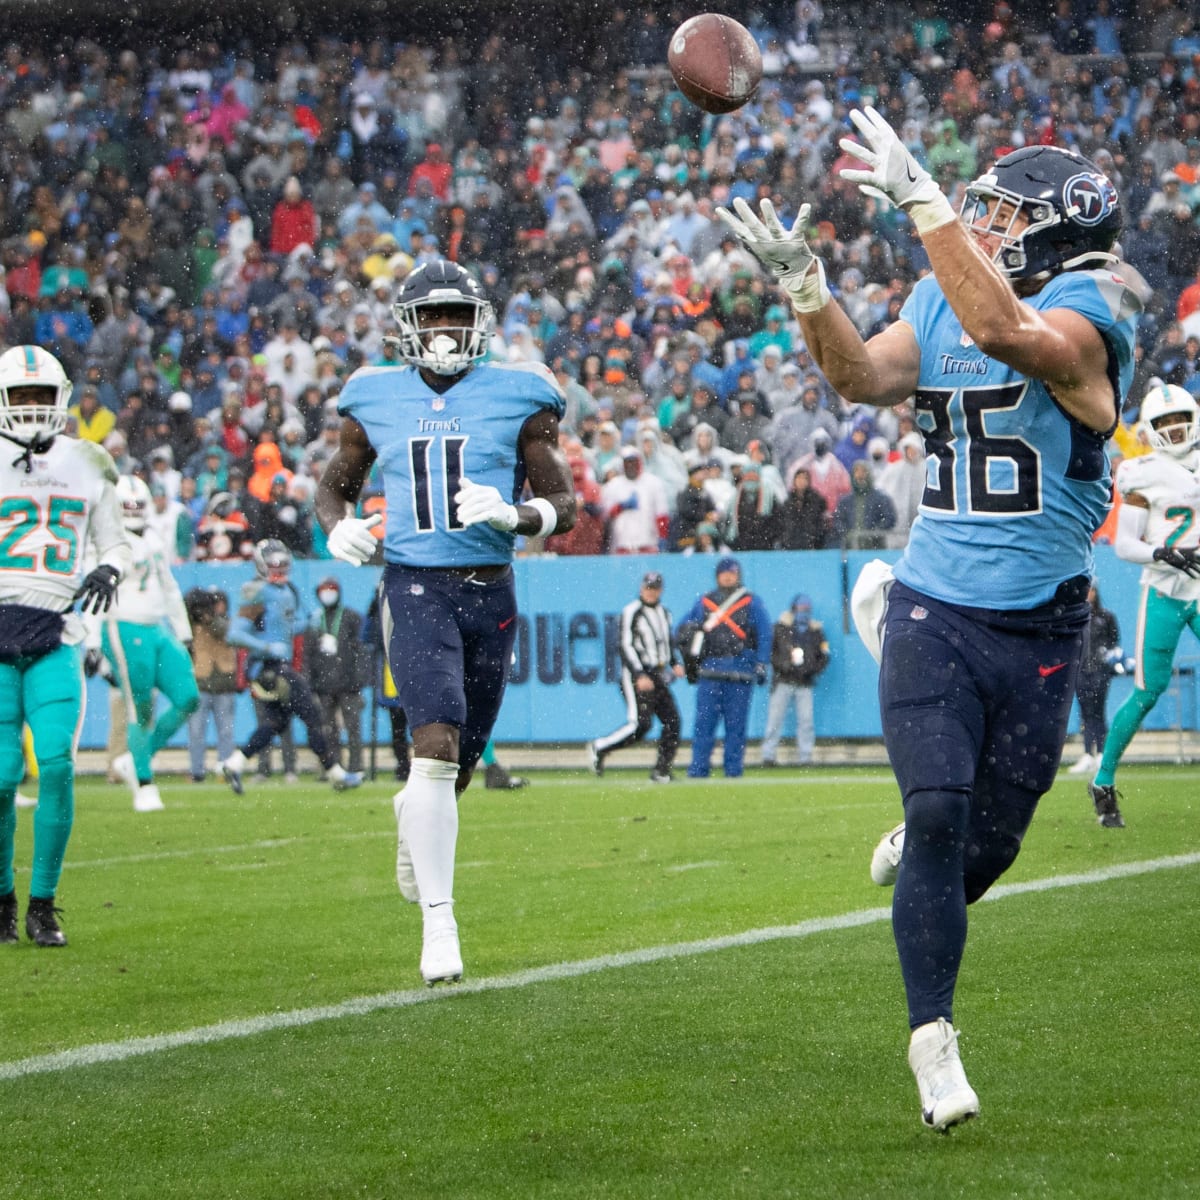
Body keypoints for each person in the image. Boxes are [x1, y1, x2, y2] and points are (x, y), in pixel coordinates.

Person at [719, 112, 1141, 1130]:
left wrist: (927, 207)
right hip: (934, 606)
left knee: (981, 852)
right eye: (980, 210)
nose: (986, 226)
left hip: (1041, 627)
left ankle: (924, 848)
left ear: (1060, 232)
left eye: (1006, 215)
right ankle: (932, 1039)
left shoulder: (1101, 302)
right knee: (944, 814)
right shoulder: (941, 293)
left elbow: (1010, 333)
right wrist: (807, 288)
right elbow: (860, 377)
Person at [314, 259, 575, 986]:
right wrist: (336, 530)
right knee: (433, 743)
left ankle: (415, 812)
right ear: (407, 325)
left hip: (490, 590)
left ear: (479, 323)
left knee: (456, 763)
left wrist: (515, 514)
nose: (444, 331)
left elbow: (565, 504)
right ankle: (439, 921)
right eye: (430, 317)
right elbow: (334, 489)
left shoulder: (518, 393)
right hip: (414, 585)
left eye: (456, 317)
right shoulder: (373, 396)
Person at [0, 344, 133, 947]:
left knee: (55, 766)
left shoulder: (88, 460)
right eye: (19, 397)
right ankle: (2, 899)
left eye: (38, 397)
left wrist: (107, 570)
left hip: (57, 631)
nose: (29, 409)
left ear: (59, 400)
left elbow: (116, 543)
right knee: (1, 778)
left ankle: (42, 904)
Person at [1089, 383, 1200, 827]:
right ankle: (1103, 779)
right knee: (1147, 691)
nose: (1174, 429)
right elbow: (1124, 544)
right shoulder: (1140, 471)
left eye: (1180, 420)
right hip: (1164, 591)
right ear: (1151, 430)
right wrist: (1163, 553)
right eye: (1165, 423)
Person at [84, 474, 200, 812]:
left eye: (138, 504)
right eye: (128, 505)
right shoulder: (104, 540)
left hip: (157, 627)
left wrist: (184, 633)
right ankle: (145, 785)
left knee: (188, 697)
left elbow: (169, 587)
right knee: (140, 707)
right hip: (122, 626)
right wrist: (91, 641)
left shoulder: (152, 538)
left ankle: (137, 759)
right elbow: (95, 594)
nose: (134, 510)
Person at [218, 539, 364, 795]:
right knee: (314, 716)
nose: (278, 569)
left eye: (282, 564)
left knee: (276, 723)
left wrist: (307, 625)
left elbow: (286, 628)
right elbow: (234, 634)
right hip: (269, 667)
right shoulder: (257, 591)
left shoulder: (287, 591)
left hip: (280, 664)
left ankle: (234, 763)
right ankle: (335, 772)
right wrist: (265, 648)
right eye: (273, 565)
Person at [674, 557, 772, 779]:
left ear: (738, 576)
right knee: (704, 726)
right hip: (711, 671)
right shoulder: (705, 602)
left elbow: (765, 634)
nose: (728, 576)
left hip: (739, 671)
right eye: (724, 573)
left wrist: (761, 663)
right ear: (718, 576)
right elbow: (682, 630)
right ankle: (699, 769)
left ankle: (733, 770)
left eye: (732, 573)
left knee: (735, 728)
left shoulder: (751, 602)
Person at [587, 570, 684, 783]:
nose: (651, 592)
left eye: (655, 588)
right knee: (640, 724)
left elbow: (667, 642)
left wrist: (675, 663)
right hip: (636, 674)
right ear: (642, 588)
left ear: (660, 590)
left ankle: (662, 770)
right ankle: (600, 747)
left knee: (673, 722)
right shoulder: (632, 611)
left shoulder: (664, 613)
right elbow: (625, 645)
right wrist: (639, 673)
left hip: (657, 674)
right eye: (648, 587)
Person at [303, 577, 367, 778]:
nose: (327, 594)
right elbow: (308, 655)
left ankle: (357, 767)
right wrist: (310, 682)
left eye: (331, 589)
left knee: (353, 727)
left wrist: (358, 680)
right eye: (324, 590)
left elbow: (361, 651)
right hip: (323, 685)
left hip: (348, 684)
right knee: (328, 730)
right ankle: (332, 767)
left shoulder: (350, 617)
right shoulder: (315, 620)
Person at [759, 595, 830, 767]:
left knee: (806, 721)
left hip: (804, 682)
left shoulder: (816, 631)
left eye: (806, 609)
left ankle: (805, 757)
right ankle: (768, 755)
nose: (803, 612)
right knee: (775, 720)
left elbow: (825, 656)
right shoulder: (780, 628)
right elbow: (772, 653)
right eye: (801, 608)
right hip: (783, 680)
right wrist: (784, 666)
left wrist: (811, 670)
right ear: (793, 608)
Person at [184, 584, 240, 783]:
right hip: (201, 683)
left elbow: (221, 630)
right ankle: (197, 771)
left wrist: (209, 617)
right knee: (196, 732)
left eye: (219, 603)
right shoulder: (194, 625)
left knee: (225, 731)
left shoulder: (229, 623)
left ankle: (225, 769)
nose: (216, 607)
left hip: (224, 684)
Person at [1068, 582, 1122, 778]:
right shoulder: (1076, 617)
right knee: (1085, 713)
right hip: (1081, 671)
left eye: (1091, 590)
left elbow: (1114, 642)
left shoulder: (1106, 617)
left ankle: (1100, 753)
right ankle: (1086, 754)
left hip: (1100, 671)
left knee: (1098, 712)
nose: (1088, 594)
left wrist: (1106, 659)